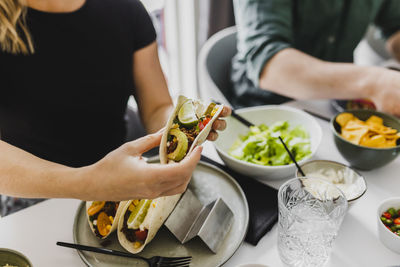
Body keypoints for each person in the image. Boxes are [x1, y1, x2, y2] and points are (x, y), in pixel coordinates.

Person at [0, 0, 230, 211]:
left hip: (125, 178)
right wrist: (91, 183)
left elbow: (157, 107)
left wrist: (184, 129)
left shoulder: (125, 9)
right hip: (32, 195)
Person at [231, 0, 400, 116]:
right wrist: (376, 82)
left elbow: (395, 27)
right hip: (266, 106)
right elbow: (271, 65)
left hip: (338, 103)